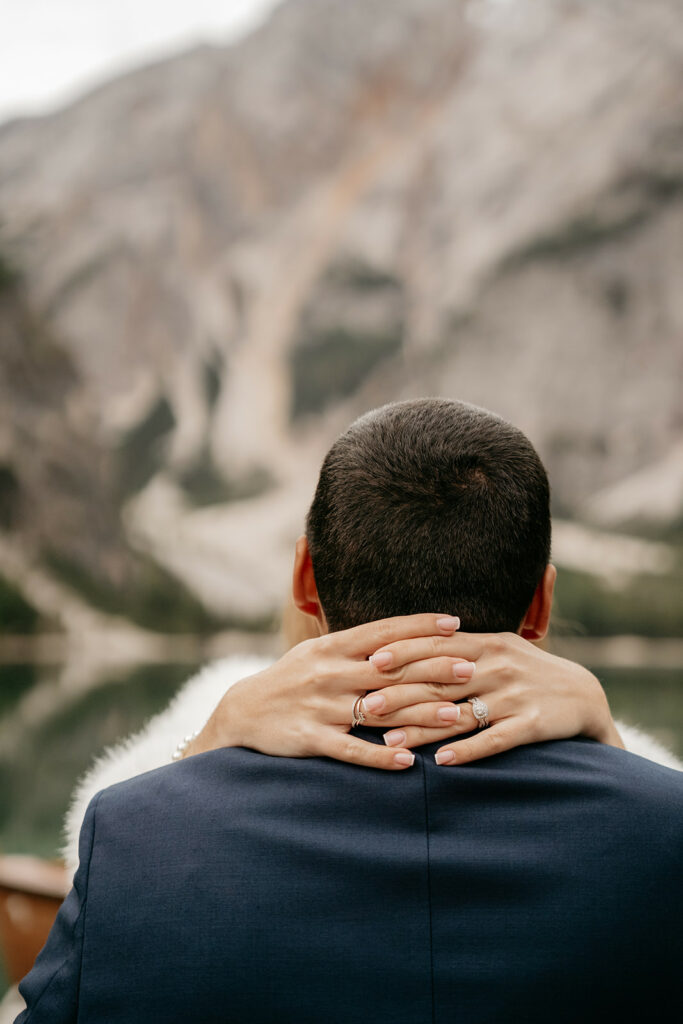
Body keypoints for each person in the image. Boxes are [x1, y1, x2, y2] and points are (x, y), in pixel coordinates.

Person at [16, 399, 683, 1023]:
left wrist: (202, 749)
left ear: (305, 579)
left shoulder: (135, 834)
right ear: (539, 605)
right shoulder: (664, 831)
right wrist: (613, 754)